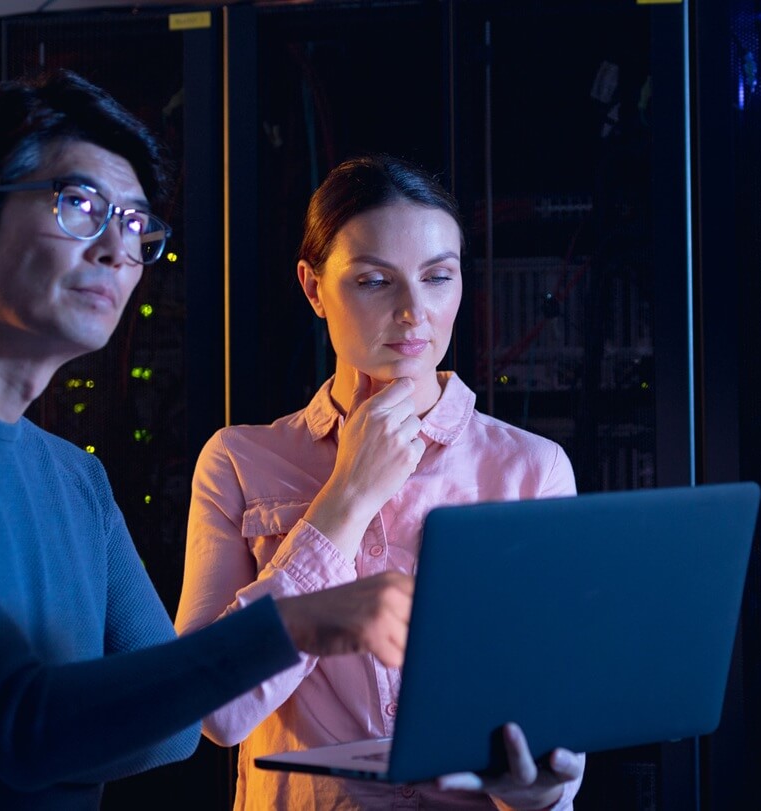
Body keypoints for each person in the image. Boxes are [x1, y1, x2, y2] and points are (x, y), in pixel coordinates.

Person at [0, 70, 412, 810]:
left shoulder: (76, 478)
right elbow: (31, 723)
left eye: (136, 225)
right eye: (78, 205)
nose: (117, 249)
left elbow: (171, 729)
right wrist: (297, 620)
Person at [173, 155, 585, 811]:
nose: (413, 311)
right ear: (313, 289)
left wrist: (537, 793)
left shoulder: (530, 468)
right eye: (373, 281)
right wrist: (347, 497)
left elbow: (555, 725)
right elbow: (213, 709)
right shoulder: (240, 459)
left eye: (437, 277)